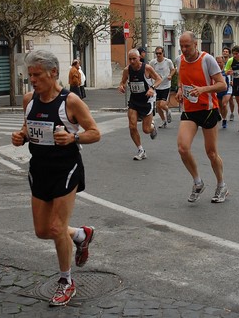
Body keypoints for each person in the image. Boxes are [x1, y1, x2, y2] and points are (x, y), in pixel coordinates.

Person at [10, 50, 100, 307]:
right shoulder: (29, 99)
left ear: (53, 73)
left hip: (65, 168)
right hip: (39, 168)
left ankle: (66, 281)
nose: (33, 81)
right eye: (30, 76)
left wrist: (74, 137)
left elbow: (95, 132)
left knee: (57, 228)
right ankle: (80, 235)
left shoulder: (70, 101)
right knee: (42, 231)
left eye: (37, 75)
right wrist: (21, 136)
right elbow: (28, 127)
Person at [176, 31, 228, 203]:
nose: (184, 49)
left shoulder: (207, 60)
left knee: (211, 153)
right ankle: (198, 182)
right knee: (183, 148)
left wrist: (203, 89)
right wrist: (179, 91)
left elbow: (222, 85)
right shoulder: (180, 60)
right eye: (181, 46)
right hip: (189, 110)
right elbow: (182, 81)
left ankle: (221, 185)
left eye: (187, 46)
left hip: (208, 110)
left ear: (195, 44)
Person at [118, 49, 163, 160]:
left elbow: (159, 79)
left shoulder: (147, 68)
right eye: (130, 59)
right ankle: (141, 150)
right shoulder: (127, 70)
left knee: (146, 130)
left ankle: (152, 128)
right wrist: (121, 86)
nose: (132, 61)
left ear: (139, 58)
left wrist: (152, 88)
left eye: (134, 59)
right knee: (132, 126)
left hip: (147, 100)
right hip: (134, 100)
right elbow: (122, 81)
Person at [149, 46, 175, 128]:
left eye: (160, 53)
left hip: (166, 86)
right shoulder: (153, 62)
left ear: (163, 53)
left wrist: (170, 75)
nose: (158, 55)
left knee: (162, 104)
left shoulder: (168, 61)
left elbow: (173, 69)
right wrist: (152, 78)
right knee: (158, 106)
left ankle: (168, 110)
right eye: (156, 53)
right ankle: (164, 121)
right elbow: (149, 71)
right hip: (157, 86)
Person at [215, 55, 232, 129]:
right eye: (217, 62)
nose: (219, 64)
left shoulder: (227, 69)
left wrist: (232, 81)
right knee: (220, 106)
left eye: (220, 62)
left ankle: (224, 120)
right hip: (219, 89)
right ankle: (223, 117)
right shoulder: (214, 70)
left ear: (223, 62)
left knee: (224, 104)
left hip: (228, 89)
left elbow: (233, 75)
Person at [222, 47, 236, 121]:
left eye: (226, 52)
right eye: (224, 51)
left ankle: (232, 113)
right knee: (222, 101)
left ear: (229, 53)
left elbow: (234, 72)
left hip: (230, 82)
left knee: (230, 100)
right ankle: (223, 115)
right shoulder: (221, 61)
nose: (225, 53)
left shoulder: (231, 61)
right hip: (223, 82)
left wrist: (233, 81)